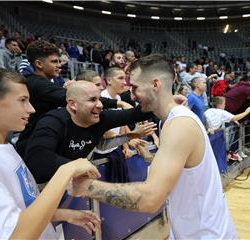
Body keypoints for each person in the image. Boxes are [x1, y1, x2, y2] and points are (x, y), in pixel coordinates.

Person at [67, 54, 237, 239]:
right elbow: (184, 167)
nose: (131, 95)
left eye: (135, 87)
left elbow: (150, 199)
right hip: (194, 229)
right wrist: (150, 158)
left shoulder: (179, 124)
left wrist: (87, 187)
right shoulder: (172, 120)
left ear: (155, 84)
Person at [0, 67, 101, 239]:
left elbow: (19, 211)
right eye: (23, 100)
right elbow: (13, 236)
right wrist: (65, 171)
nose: (31, 109)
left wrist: (63, 214)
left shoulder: (3, 148)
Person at [23, 81, 157, 183]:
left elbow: (136, 114)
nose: (100, 105)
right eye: (92, 100)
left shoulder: (101, 118)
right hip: (42, 186)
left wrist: (165, 101)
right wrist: (77, 166)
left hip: (71, 184)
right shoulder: (52, 122)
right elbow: (38, 160)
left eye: (99, 99)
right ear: (72, 104)